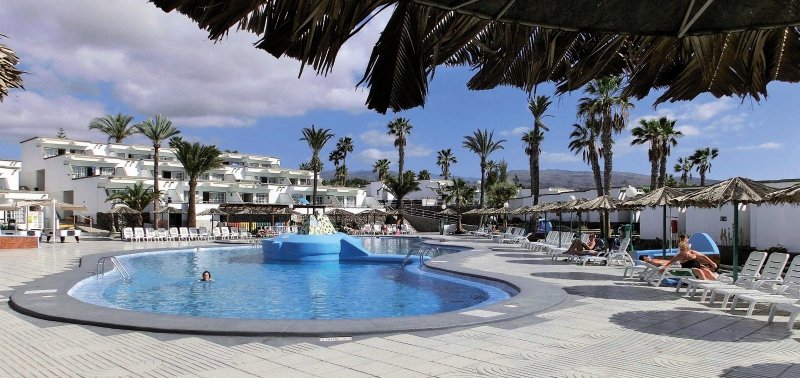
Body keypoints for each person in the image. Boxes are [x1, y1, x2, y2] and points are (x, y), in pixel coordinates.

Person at [648, 235, 718, 280]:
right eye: (680, 249)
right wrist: (664, 268)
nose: (680, 251)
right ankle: (705, 285)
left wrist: (712, 263)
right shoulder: (680, 255)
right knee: (700, 271)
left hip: (697, 266)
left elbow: (703, 257)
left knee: (708, 272)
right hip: (689, 269)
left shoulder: (692, 252)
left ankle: (715, 284)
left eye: (682, 249)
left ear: (687, 249)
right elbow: (671, 262)